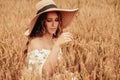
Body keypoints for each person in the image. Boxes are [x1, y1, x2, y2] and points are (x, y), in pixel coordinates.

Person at [23, 0, 78, 79]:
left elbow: (57, 69)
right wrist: (57, 45)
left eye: (56, 20)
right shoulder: (35, 43)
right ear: (42, 22)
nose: (54, 24)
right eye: (49, 20)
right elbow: (45, 74)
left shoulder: (54, 41)